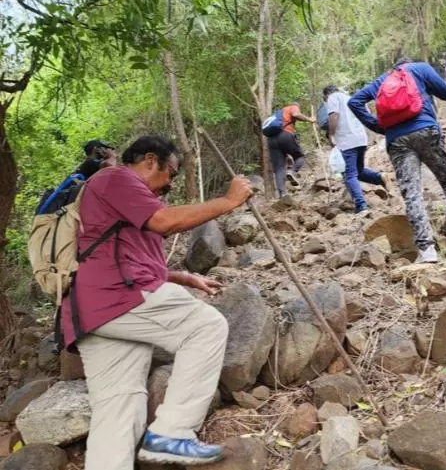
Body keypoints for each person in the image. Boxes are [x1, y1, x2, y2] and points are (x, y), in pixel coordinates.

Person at [61, 135, 253, 469]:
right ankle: (173, 433)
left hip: (92, 311)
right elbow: (165, 222)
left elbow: (126, 258)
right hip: (117, 296)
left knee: (119, 409)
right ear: (150, 160)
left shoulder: (123, 202)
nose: (170, 185)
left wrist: (182, 277)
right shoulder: (116, 177)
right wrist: (228, 201)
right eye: (171, 174)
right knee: (205, 327)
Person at [348, 58, 446, 263]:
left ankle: (427, 250)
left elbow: (354, 102)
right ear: (408, 63)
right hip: (426, 130)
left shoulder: (381, 81)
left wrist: (380, 127)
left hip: (397, 142)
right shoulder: (420, 69)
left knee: (412, 194)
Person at [323, 85, 387, 213]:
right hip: (360, 138)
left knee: (349, 174)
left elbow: (334, 115)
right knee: (359, 170)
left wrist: (331, 134)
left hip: (347, 140)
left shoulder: (333, 98)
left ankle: (361, 206)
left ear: (326, 95)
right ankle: (380, 177)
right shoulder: (351, 98)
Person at [267, 103, 315, 198]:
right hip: (285, 134)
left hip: (271, 139)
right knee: (300, 157)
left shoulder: (278, 114)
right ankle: (292, 171)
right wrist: (310, 119)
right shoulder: (292, 107)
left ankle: (282, 195)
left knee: (279, 168)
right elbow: (296, 114)